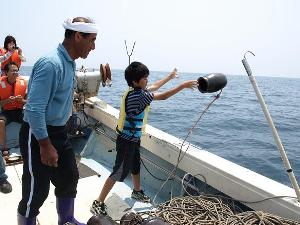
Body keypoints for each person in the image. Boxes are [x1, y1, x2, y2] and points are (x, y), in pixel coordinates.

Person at [17, 17, 98, 225]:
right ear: (77, 36)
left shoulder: (69, 63)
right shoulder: (51, 64)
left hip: (59, 132)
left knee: (69, 176)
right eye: (92, 40)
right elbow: (34, 109)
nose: (93, 47)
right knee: (37, 190)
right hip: (37, 133)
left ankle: (67, 220)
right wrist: (45, 145)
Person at [90, 61, 198, 216]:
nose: (147, 80)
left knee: (135, 165)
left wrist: (169, 77)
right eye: (144, 78)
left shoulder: (133, 91)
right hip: (127, 141)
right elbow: (164, 96)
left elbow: (154, 87)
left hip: (132, 139)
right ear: (135, 81)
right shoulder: (139, 96)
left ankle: (137, 191)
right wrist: (183, 85)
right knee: (118, 172)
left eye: (147, 77)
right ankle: (98, 202)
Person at [0, 62, 27, 160]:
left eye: (16, 70)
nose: (15, 72)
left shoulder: (23, 83)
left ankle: (30, 144)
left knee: (33, 119)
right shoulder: (0, 83)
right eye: (12, 70)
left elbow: (28, 102)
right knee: (1, 122)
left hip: (19, 111)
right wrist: (8, 100)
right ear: (6, 72)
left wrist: (22, 100)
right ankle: (3, 149)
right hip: (6, 112)